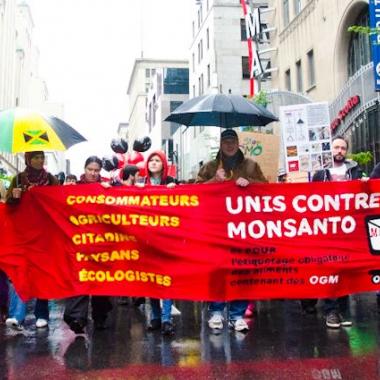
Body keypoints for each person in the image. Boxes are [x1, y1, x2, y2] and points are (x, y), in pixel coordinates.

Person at [196, 129, 267, 332]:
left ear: (238, 143)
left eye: (233, 141)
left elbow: (267, 188)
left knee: (242, 270)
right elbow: (196, 191)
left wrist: (250, 183)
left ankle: (237, 314)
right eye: (225, 141)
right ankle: (216, 311)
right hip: (216, 228)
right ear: (220, 144)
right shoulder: (210, 167)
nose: (229, 145)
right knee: (218, 270)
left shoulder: (251, 166)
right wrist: (214, 181)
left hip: (243, 229)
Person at [309, 135, 363, 328]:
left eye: (342, 148)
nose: (339, 151)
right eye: (336, 147)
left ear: (346, 151)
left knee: (345, 269)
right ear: (329, 150)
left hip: (348, 229)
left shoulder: (355, 171)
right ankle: (331, 311)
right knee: (330, 268)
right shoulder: (320, 173)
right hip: (326, 229)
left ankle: (342, 310)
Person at [5, 151, 59, 331]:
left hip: (44, 236)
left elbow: (60, 202)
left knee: (42, 274)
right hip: (22, 234)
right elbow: (9, 206)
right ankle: (16, 316)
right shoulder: (18, 179)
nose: (40, 160)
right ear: (28, 159)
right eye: (36, 157)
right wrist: (15, 197)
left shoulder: (51, 180)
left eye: (42, 157)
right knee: (19, 272)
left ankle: (42, 315)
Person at [63, 156, 113, 334]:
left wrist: (112, 191)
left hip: (101, 243)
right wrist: (64, 191)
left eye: (97, 170)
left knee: (100, 281)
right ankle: (78, 317)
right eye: (90, 169)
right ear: (84, 169)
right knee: (81, 278)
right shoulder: (74, 187)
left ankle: (100, 317)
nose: (93, 173)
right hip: (80, 242)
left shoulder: (108, 186)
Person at [137, 150, 177, 335]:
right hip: (146, 239)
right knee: (151, 280)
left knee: (166, 279)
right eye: (150, 160)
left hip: (166, 239)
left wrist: (173, 191)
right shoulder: (140, 183)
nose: (153, 163)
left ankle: (167, 318)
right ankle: (155, 317)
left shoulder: (171, 182)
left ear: (163, 164)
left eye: (157, 160)